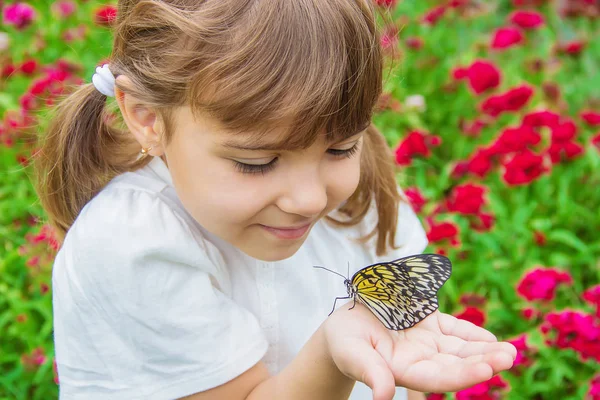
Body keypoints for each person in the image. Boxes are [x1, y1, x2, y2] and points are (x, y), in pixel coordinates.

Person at [33, 0, 517, 399]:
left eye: (341, 147)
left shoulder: (358, 201)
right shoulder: (133, 243)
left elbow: (404, 349)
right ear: (147, 118)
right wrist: (333, 351)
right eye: (257, 162)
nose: (309, 199)